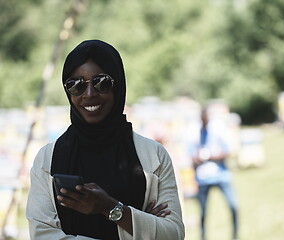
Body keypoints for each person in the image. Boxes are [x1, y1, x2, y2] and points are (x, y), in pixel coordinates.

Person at [26, 40, 185, 240]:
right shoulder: (48, 159)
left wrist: (111, 207)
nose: (90, 94)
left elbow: (173, 234)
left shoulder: (153, 155)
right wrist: (140, 223)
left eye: (102, 82)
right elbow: (43, 235)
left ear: (118, 85)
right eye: (76, 85)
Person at [189, 107, 239, 240]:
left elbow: (228, 151)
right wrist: (198, 158)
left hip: (221, 175)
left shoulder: (218, 130)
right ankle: (203, 236)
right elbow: (190, 155)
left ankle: (235, 235)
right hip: (203, 178)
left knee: (233, 206)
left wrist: (210, 156)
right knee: (203, 212)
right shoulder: (194, 132)